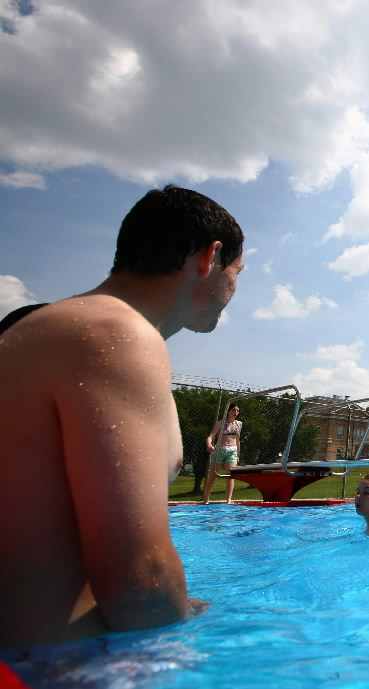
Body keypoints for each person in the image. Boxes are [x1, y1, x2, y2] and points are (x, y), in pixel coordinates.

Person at [0, 185, 244, 646]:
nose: (234, 289)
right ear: (208, 258)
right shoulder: (117, 335)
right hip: (50, 665)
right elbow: (139, 579)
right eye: (237, 271)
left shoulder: (62, 328)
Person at [202, 403, 242, 504]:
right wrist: (209, 445)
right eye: (233, 410)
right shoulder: (220, 423)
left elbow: (238, 440)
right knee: (212, 476)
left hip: (232, 450)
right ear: (228, 411)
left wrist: (238, 455)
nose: (236, 412)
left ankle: (228, 500)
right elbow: (210, 436)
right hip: (219, 450)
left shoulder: (239, 424)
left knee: (231, 475)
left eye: (237, 410)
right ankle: (206, 500)